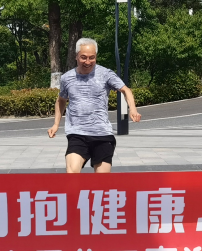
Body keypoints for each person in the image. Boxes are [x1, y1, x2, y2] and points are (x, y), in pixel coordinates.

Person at [48, 38, 141, 172]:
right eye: (83, 57)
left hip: (102, 133)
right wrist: (56, 124)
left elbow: (125, 90)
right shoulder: (66, 78)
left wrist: (132, 109)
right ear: (76, 56)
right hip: (77, 133)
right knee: (72, 173)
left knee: (102, 180)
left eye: (92, 58)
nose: (88, 62)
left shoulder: (106, 74)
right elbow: (61, 100)